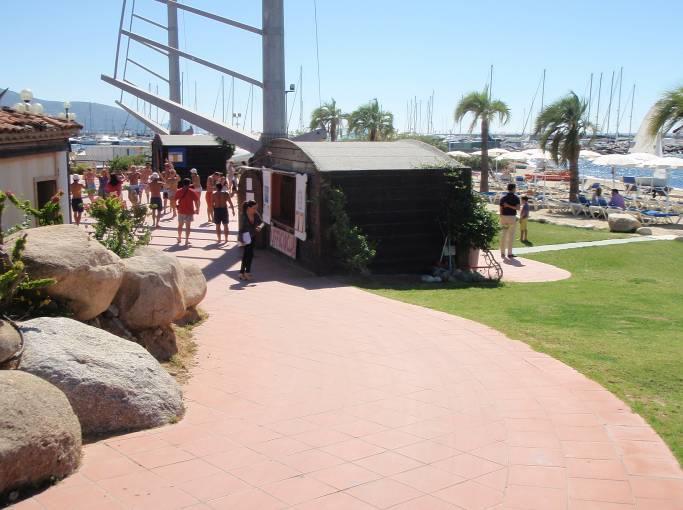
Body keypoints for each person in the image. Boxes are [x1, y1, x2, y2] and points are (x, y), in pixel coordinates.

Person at [238, 200, 263, 280]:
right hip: (245, 237)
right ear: (249, 208)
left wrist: (260, 227)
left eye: (256, 208)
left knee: (248, 254)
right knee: (248, 254)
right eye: (254, 208)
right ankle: (246, 272)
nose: (255, 209)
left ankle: (242, 273)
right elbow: (241, 229)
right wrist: (241, 240)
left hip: (253, 236)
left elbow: (262, 222)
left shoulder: (256, 214)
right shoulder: (243, 216)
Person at [175, 178, 200, 245]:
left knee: (180, 225)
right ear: (189, 184)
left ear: (183, 183)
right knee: (188, 226)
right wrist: (197, 209)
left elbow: (174, 200)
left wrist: (176, 207)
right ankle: (186, 240)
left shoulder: (179, 191)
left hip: (181, 210)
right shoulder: (192, 191)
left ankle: (179, 238)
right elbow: (196, 201)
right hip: (189, 211)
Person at [499, 183, 520, 258]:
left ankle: (502, 253)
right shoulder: (516, 198)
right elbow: (517, 208)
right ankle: (510, 253)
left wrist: (501, 215)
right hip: (512, 218)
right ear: (513, 189)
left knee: (503, 235)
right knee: (511, 236)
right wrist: (509, 206)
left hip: (504, 217)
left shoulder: (503, 198)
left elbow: (501, 208)